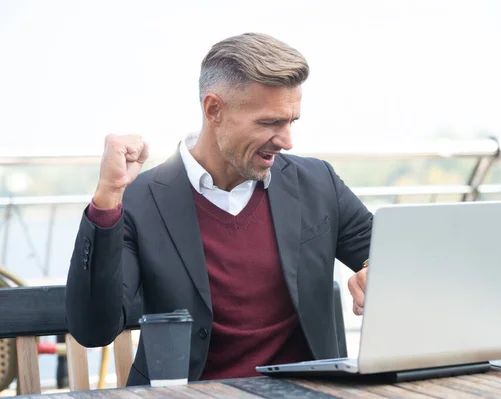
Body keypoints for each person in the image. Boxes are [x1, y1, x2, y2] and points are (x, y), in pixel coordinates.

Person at [65, 32, 372, 386]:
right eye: (270, 122)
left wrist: (376, 271)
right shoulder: (138, 200)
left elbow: (395, 260)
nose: (287, 140)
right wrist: (107, 197)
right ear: (214, 110)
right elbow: (92, 328)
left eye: (291, 122)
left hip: (308, 394)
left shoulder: (318, 183)